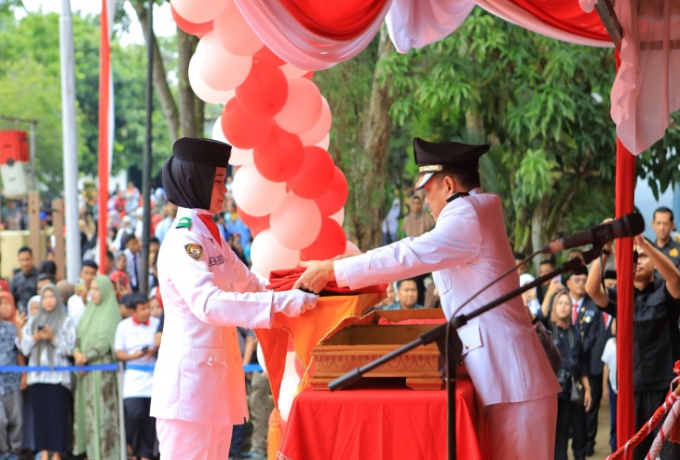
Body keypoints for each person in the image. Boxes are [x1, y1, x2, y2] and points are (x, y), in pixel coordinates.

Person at [294, 137, 560, 459]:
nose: (428, 203)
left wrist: (332, 270)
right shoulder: (477, 209)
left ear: (447, 185)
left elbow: (408, 254)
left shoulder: (466, 214)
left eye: (428, 191)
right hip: (509, 377)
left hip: (513, 381)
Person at [150, 137, 317, 459]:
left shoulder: (211, 236)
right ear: (194, 181)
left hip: (214, 386)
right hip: (189, 389)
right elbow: (208, 303)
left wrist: (301, 289)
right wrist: (283, 303)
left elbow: (251, 284)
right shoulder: (183, 239)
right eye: (217, 182)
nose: (225, 191)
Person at [586, 235, 680, 460]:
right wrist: (606, 248)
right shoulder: (621, 296)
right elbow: (592, 289)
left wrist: (645, 244)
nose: (637, 260)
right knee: (633, 453)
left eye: (644, 256)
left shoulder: (665, 292)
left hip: (667, 389)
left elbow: (675, 279)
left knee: (671, 456)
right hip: (631, 389)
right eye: (632, 257)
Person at [20, 284, 76, 460]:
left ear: (58, 299)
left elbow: (70, 349)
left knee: (57, 416)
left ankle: (57, 453)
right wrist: (36, 338)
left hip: (58, 378)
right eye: (45, 297)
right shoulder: (33, 322)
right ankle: (43, 452)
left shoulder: (65, 320)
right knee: (41, 417)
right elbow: (24, 348)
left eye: (52, 297)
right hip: (37, 377)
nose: (48, 301)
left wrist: (52, 338)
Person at [73, 275, 123, 460]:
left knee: (103, 414)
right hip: (84, 372)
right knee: (88, 414)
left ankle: (107, 455)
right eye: (91, 289)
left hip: (102, 374)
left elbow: (104, 340)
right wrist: (77, 352)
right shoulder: (89, 312)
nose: (92, 293)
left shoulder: (110, 312)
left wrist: (84, 357)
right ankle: (91, 454)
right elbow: (78, 335)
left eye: (96, 289)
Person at [539, 290, 591, 460]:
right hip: (551, 392)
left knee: (571, 434)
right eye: (559, 303)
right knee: (555, 436)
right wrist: (549, 294)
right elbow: (538, 317)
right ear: (554, 306)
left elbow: (581, 362)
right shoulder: (546, 327)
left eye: (566, 303)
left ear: (571, 307)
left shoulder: (575, 331)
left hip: (570, 391)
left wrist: (588, 389)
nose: (563, 306)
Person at [114, 292, 159, 460]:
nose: (146, 312)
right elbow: (119, 353)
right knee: (134, 415)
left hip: (153, 378)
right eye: (142, 309)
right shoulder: (124, 326)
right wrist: (136, 356)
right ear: (133, 311)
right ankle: (135, 450)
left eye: (147, 308)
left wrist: (152, 351)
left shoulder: (156, 324)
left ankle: (146, 454)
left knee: (150, 419)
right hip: (133, 378)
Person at [0, 292, 25, 460]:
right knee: (0, 421)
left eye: (6, 303)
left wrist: (24, 376)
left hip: (12, 381)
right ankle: (4, 452)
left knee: (16, 419)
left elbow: (20, 353)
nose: (4, 307)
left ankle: (14, 453)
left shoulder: (12, 328)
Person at [601, 318, 617, 453]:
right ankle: (614, 447)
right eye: (612, 322)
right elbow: (606, 366)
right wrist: (604, 387)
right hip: (613, 388)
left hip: (626, 390)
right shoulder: (609, 344)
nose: (614, 325)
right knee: (613, 420)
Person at [66, 260, 98, 327]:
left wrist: (85, 300)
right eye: (86, 273)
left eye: (92, 274)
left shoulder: (97, 297)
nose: (89, 277)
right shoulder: (72, 300)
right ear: (80, 274)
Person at [9, 246, 37, 314]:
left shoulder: (39, 277)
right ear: (18, 260)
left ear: (32, 259)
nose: (25, 263)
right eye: (22, 260)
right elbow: (12, 300)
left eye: (27, 259)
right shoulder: (15, 280)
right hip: (20, 315)